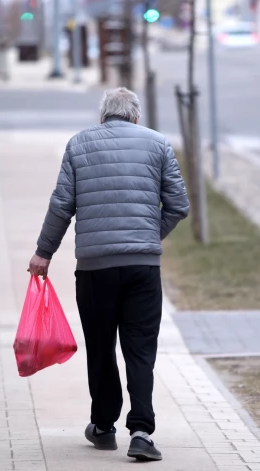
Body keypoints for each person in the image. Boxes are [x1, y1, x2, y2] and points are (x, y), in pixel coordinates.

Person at [28, 87, 189, 461]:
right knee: (140, 349)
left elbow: (61, 205)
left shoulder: (78, 145)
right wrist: (148, 236)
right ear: (135, 116)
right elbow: (178, 205)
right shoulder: (158, 143)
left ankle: (103, 427)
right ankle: (141, 432)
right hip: (142, 269)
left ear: (103, 117)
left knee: (100, 347)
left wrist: (43, 252)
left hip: (95, 269)